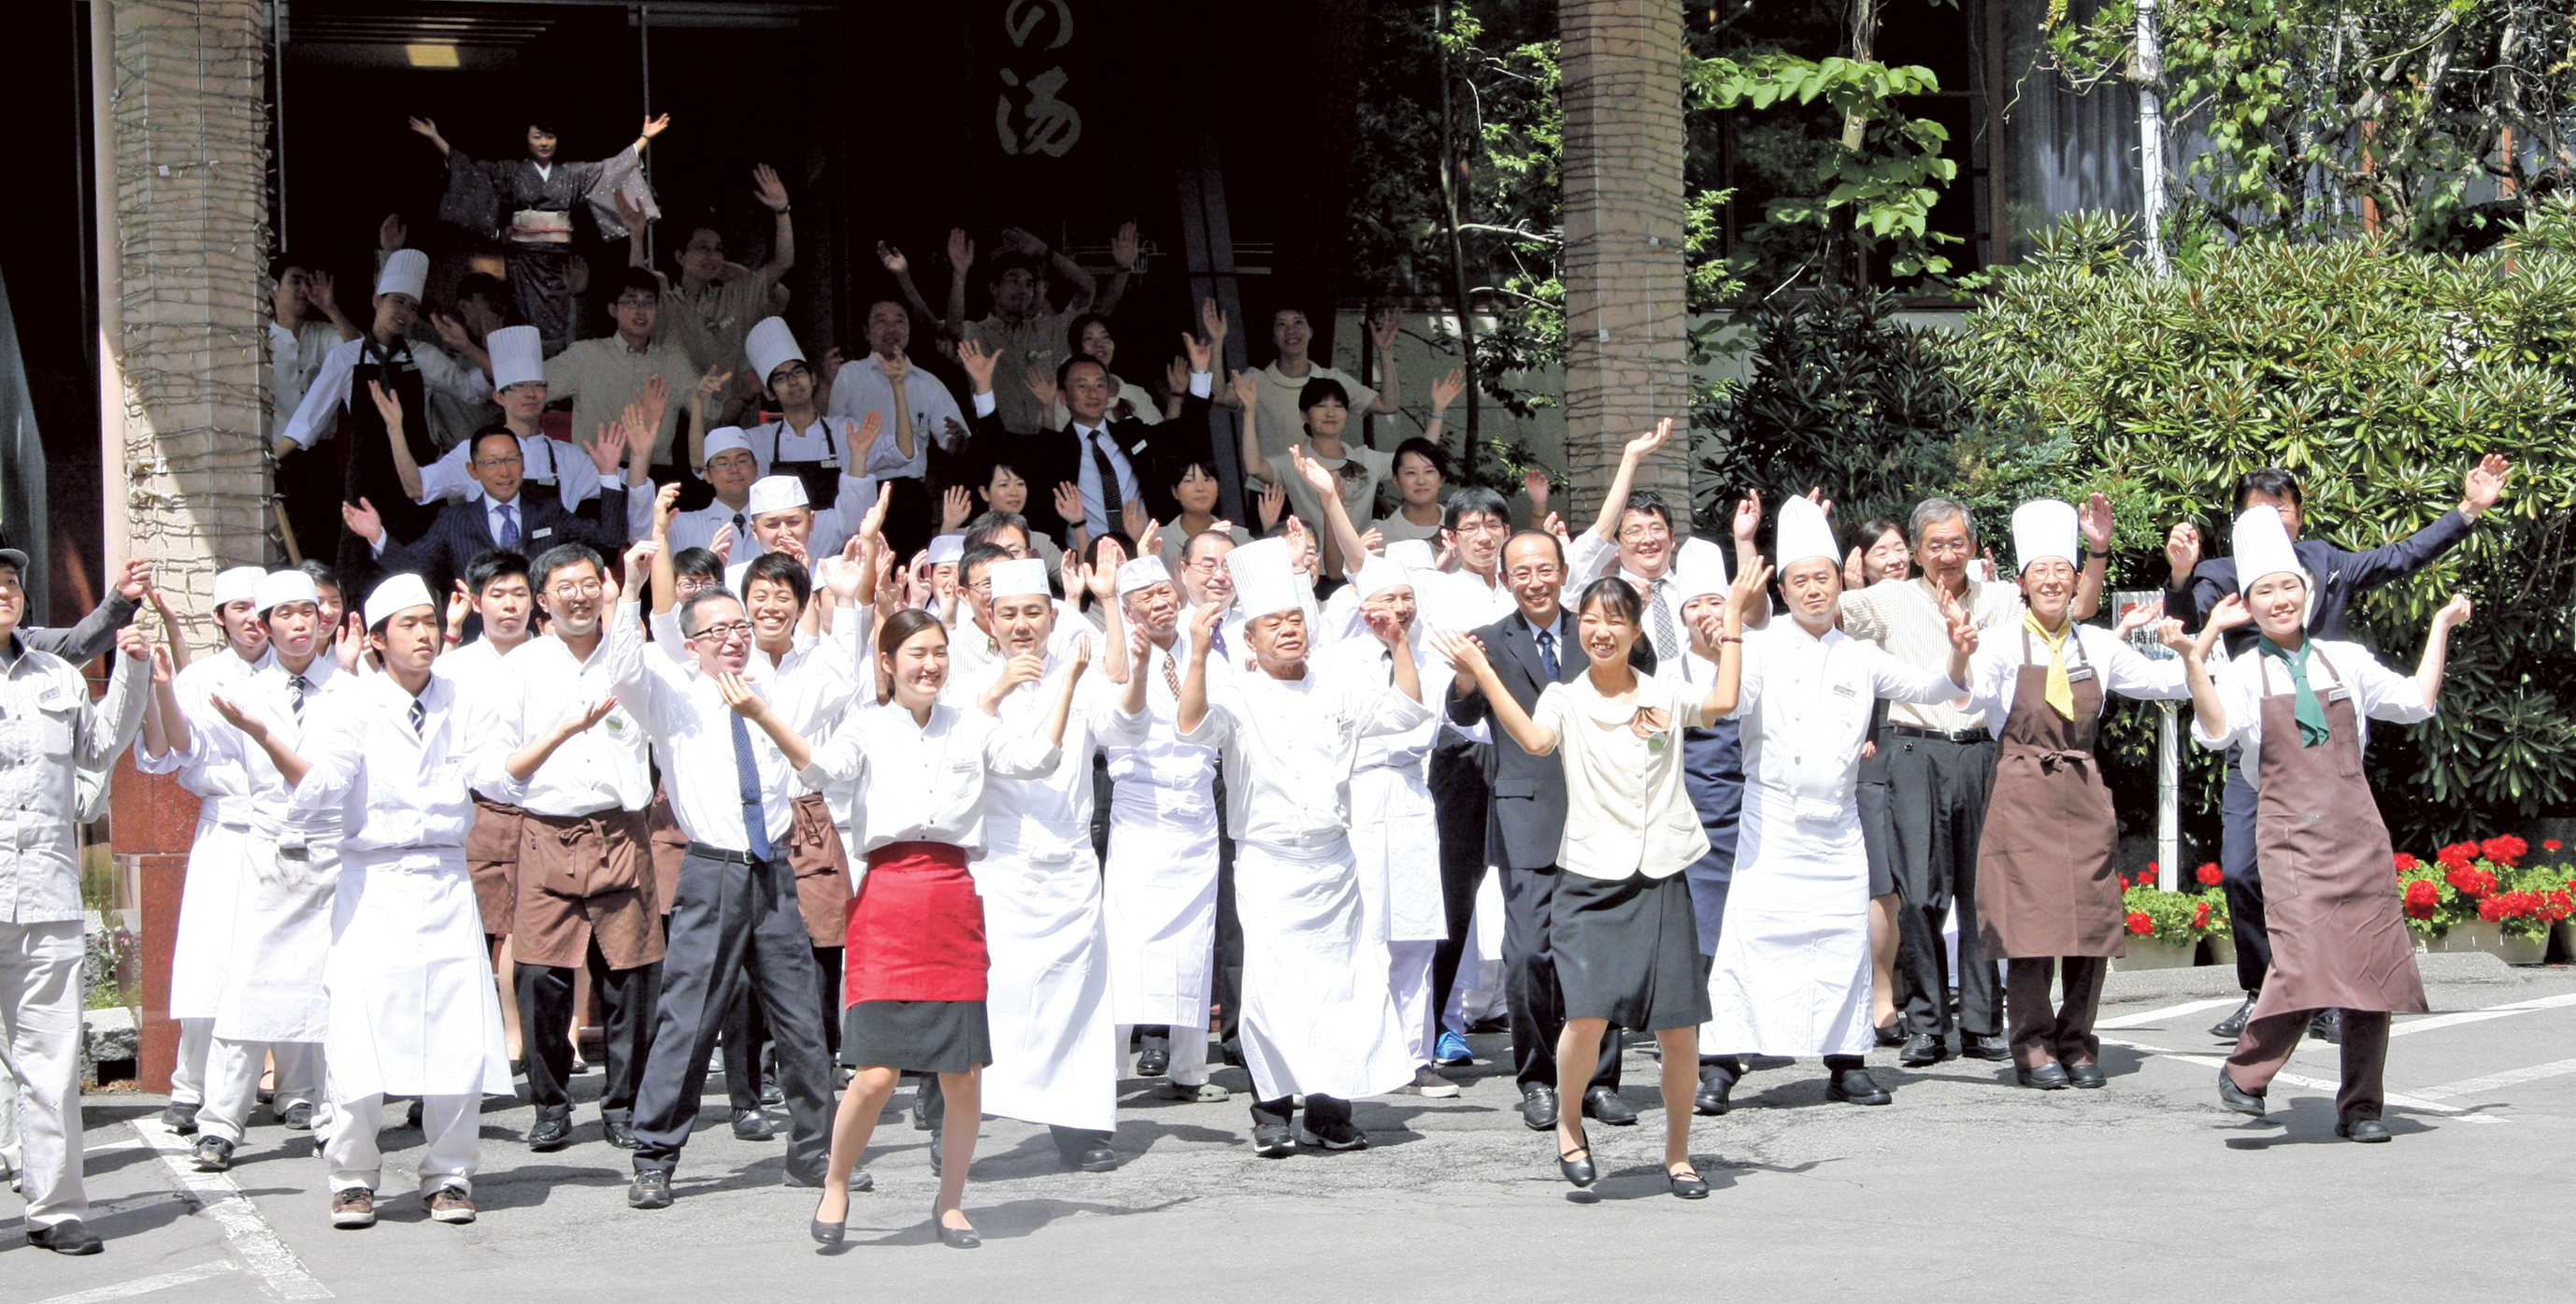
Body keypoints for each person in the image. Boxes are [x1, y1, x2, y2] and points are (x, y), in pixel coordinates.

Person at [750, 608, 1088, 1248]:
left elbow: (1039, 759)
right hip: (887, 900)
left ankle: (952, 1201)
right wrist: (764, 716)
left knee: (962, 1072)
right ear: (888, 662)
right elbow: (819, 772)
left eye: (938, 651)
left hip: (952, 899)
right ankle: (836, 1182)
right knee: (875, 1072)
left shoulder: (973, 723)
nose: (930, 664)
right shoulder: (867, 726)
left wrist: (1068, 676)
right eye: (916, 653)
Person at [288, 572, 603, 1229]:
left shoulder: (463, 696)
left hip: (444, 878)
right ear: (376, 640)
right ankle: (352, 1176)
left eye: (430, 621)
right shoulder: (346, 703)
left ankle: (451, 1172)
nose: (425, 633)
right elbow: (324, 780)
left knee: (457, 1030)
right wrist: (295, 759)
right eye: (407, 624)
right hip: (371, 882)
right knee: (359, 1030)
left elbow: (492, 773)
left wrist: (562, 733)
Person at [2162, 455, 2512, 1041]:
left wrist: (2468, 510)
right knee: (2244, 872)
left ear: (2298, 515)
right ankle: (2261, 991)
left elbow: (2399, 557)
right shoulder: (2220, 573)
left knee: (2335, 886)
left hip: (2329, 755)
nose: (2273, 520)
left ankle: (2329, 996)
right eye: (2258, 513)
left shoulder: (2326, 563)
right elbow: (2186, 631)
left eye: (2283, 508)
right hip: (2260, 748)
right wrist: (2178, 577)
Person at [1436, 569, 1753, 1197]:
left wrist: (1736, 620)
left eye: (1615, 620)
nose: (1601, 630)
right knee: (1584, 1017)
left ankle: (1679, 1154)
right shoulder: (1563, 697)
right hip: (1588, 878)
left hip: (1661, 875)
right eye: (1590, 619)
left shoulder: (1663, 692)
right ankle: (1569, 1122)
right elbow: (1530, 739)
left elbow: (1723, 701)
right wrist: (1483, 666)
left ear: (1636, 631)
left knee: (1678, 1027)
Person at [2171, 506, 2467, 1142]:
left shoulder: (2345, 658)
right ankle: (2246, 1072)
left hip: (2356, 828)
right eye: (2264, 591)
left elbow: (2415, 701)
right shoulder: (2243, 669)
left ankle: (2362, 1106)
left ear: (2308, 592)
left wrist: (2441, 626)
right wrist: (2197, 653)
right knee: (2302, 960)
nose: (2280, 599)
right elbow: (2216, 730)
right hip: (2287, 832)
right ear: (2247, 602)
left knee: (2372, 967)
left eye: (2289, 587)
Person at [1701, 494, 1979, 1108]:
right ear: (1785, 587)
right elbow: (1726, 701)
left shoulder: (1860, 652)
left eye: (1821, 578)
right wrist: (1728, 625)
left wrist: (1959, 648)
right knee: (1750, 939)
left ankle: (1846, 1059)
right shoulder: (1760, 643)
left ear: (1839, 580)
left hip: (1839, 826)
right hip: (1771, 823)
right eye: (1799, 580)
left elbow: (1934, 685)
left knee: (1842, 941)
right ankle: (1720, 1063)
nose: (1812, 591)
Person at [602, 545, 837, 1210]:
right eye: (718, 631)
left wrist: (843, 598)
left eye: (741, 628)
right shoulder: (670, 694)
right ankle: (655, 1155)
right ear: (690, 643)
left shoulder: (773, 690)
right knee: (690, 1015)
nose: (734, 640)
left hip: (774, 870)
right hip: (712, 870)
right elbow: (622, 667)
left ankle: (813, 1148)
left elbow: (839, 679)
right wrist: (628, 592)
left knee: (799, 1016)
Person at [1835, 494, 2106, 1068]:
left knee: (1985, 887)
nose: (1947, 555)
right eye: (1934, 545)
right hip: (1914, 750)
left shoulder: (2005, 598)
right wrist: (1843, 574)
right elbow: (1824, 612)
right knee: (1918, 893)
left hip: (1985, 752)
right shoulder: (1889, 599)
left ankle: (1982, 1021)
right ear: (1915, 552)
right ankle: (1928, 1023)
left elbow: (2074, 606)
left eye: (1957, 543)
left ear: (1975, 548)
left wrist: (2096, 551)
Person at [1176, 538, 1425, 1154]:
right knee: (1271, 990)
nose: (1287, 631)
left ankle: (1329, 1112)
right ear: (1252, 640)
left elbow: (1409, 710)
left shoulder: (1336, 685)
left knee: (1340, 989)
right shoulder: (1236, 692)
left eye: (1294, 620)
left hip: (1333, 864)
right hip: (1268, 863)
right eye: (1272, 624)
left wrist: (1398, 644)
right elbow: (1191, 726)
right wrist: (1199, 655)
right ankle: (1269, 1113)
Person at [1962, 501, 2192, 1090]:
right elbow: (1969, 695)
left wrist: (2198, 643)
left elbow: (2165, 681)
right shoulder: (1998, 644)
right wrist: (1960, 655)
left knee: (2090, 922)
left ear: (2076, 581)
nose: (2052, 580)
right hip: (2020, 786)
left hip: (2083, 790)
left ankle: (2079, 1040)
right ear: (2021, 583)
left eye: (2062, 570)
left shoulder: (2099, 645)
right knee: (2030, 924)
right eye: (2040, 571)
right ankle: (2033, 1044)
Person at [932, 555, 1123, 1169]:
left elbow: (1123, 712)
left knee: (1078, 995)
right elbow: (953, 759)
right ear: (987, 618)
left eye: (1033, 613)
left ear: (1052, 616)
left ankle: (1077, 1125)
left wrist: (1114, 612)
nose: (1021, 625)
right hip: (1001, 863)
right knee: (987, 997)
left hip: (1069, 859)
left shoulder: (1081, 675)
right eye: (1008, 613)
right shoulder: (965, 689)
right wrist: (997, 689)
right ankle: (953, 1126)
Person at [1446, 530, 1629, 1131]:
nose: (1534, 581)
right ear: (1505, 578)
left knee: (1599, 954)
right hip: (1525, 814)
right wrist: (1468, 679)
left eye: (1544, 569)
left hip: (1601, 812)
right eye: (1520, 572)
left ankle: (1600, 1082)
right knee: (1528, 954)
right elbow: (1465, 715)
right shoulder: (1490, 641)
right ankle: (1537, 1078)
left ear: (1562, 570)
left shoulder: (1596, 628)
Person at [0, 545, 149, 1256]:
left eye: (9, 583)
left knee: (52, 1060)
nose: (3, 593)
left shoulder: (56, 676)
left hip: (47, 899)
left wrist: (135, 670)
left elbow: (99, 747)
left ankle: (54, 1206)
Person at [179, 571, 349, 1173]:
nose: (299, 624)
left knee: (335, 991)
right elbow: (197, 759)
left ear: (325, 619)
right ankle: (221, 1121)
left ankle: (334, 1114)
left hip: (333, 853)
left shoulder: (353, 691)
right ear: (266, 625)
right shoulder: (240, 694)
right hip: (267, 848)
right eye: (285, 615)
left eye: (309, 612)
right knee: (248, 985)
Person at [505, 544, 666, 1152]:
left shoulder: (631, 657)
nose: (578, 595)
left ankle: (624, 1104)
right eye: (562, 587)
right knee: (540, 976)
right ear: (542, 600)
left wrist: (636, 590)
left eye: (587, 583)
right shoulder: (521, 667)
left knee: (631, 978)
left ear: (605, 589)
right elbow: (501, 761)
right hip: (548, 832)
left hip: (621, 831)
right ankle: (550, 1103)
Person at [135, 566, 273, 1137]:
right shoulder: (201, 678)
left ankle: (298, 1088)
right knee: (209, 963)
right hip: (225, 831)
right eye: (237, 607)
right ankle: (191, 1086)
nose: (251, 618)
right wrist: (163, 687)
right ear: (220, 617)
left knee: (292, 962)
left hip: (289, 834)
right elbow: (177, 749)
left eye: (258, 607)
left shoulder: (305, 675)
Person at [275, 250, 494, 593]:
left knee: (423, 571)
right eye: (397, 302)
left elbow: (472, 391)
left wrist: (465, 346)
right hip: (366, 482)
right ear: (377, 300)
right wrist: (268, 462)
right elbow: (307, 422)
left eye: (412, 306)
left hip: (418, 478)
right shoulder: (344, 357)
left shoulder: (424, 355)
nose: (405, 312)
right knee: (361, 573)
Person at [1095, 555, 1231, 1101]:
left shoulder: (1204, 647)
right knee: (1123, 944)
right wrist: (1107, 605)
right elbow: (1113, 700)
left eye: (1164, 592)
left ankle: (1189, 1070)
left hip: (1196, 810)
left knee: (1194, 946)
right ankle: (1105, 1073)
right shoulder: (1121, 652)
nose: (1160, 603)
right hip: (1140, 811)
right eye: (1145, 598)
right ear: (1129, 612)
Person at [1323, 560, 1457, 1097]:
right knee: (1365, 931)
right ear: (1363, 608)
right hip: (1355, 795)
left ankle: (1415, 1053)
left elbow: (1437, 720)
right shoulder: (1334, 661)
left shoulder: (1428, 658)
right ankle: (1365, 1051)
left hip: (1409, 792)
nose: (1401, 607)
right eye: (1389, 598)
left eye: (1408, 596)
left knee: (1415, 932)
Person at [414, 112, 667, 351]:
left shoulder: (570, 173)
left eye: (549, 137)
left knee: (568, 311)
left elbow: (610, 168)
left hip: (559, 261)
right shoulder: (512, 171)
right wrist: (436, 138)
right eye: (537, 137)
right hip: (523, 260)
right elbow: (473, 173)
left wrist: (644, 138)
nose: (544, 143)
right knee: (523, 316)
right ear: (526, 139)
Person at [361, 395, 638, 600]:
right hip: (477, 639)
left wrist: (608, 474)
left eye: (511, 460)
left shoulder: (549, 512)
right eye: (492, 463)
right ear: (473, 470)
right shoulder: (454, 520)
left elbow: (609, 541)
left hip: (542, 634)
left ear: (523, 464)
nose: (504, 472)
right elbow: (414, 566)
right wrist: (378, 537)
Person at [961, 334, 1217, 546]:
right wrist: (983, 387)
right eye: (1082, 386)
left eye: (1099, 385)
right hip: (1085, 559)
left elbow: (1186, 433)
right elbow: (998, 445)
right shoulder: (1052, 448)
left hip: (1144, 548)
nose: (1093, 393)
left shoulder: (1132, 433)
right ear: (1062, 397)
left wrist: (1201, 372)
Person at [948, 226, 1130, 436]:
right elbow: (953, 329)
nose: (1022, 290)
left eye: (1029, 284)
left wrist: (1044, 251)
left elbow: (1087, 289)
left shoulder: (1049, 330)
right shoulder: (976, 332)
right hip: (998, 443)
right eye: (1013, 281)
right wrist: (959, 274)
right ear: (994, 288)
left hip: (1048, 442)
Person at [632, 165, 794, 395]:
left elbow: (783, 263)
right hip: (680, 420)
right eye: (702, 248)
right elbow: (634, 289)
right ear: (680, 256)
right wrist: (637, 236)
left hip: (735, 418)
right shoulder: (666, 303)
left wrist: (782, 211)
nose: (712, 255)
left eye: (718, 249)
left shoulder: (735, 296)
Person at [1842, 517, 1911, 1044]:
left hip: (1918, 751)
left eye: (1900, 548)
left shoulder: (1926, 602)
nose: (1895, 557)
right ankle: (1878, 994)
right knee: (1878, 882)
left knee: (1906, 882)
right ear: (1858, 562)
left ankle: (1895, 990)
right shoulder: (1846, 616)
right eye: (1880, 550)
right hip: (1869, 759)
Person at [826, 297, 969, 554]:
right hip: (862, 491)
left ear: (909, 332)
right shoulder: (850, 375)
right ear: (867, 333)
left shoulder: (928, 383)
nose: (891, 327)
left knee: (908, 575)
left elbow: (955, 445)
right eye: (881, 321)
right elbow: (831, 436)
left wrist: (959, 440)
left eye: (899, 321)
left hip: (910, 494)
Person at [412, 325, 603, 516]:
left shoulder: (570, 457)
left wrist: (634, 452)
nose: (530, 394)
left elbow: (625, 485)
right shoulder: (472, 452)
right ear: (499, 397)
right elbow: (417, 487)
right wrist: (394, 429)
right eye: (519, 386)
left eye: (537, 385)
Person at [545, 268, 694, 475]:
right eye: (631, 302)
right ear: (613, 309)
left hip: (656, 475)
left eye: (648, 302)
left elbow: (712, 416)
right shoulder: (586, 354)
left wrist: (745, 394)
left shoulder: (674, 362)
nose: (641, 310)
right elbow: (532, 388)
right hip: (593, 473)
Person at [1251, 372, 1391, 579]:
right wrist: (1248, 412)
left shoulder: (1365, 458)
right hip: (1312, 569)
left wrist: (1438, 412)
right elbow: (1254, 467)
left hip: (1363, 566)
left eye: (1338, 406)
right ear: (1304, 414)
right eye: (1321, 406)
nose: (1331, 413)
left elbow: (1419, 461)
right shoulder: (1295, 462)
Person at [1237, 305, 1403, 472]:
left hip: (1323, 487)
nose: (1291, 330)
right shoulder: (1256, 380)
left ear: (1310, 331)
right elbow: (1219, 396)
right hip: (1272, 490)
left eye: (1298, 322)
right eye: (1281, 324)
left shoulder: (1332, 379)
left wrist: (1384, 351)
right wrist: (1216, 342)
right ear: (1273, 336)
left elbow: (1387, 404)